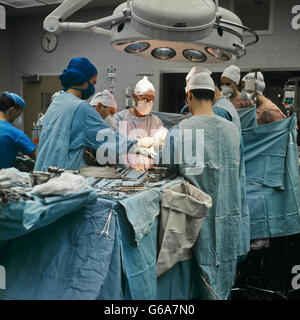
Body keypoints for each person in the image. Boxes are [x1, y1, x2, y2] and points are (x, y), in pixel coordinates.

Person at [160, 72, 242, 300]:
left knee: (190, 286)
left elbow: (164, 177)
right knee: (218, 283)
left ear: (189, 96)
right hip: (226, 218)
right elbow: (240, 178)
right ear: (213, 96)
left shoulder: (178, 132)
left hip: (190, 225)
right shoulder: (232, 131)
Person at [34, 57, 153, 171]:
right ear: (84, 81)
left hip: (42, 173)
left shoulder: (58, 102)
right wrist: (137, 144)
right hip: (60, 178)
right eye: (93, 83)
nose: (93, 88)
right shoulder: (80, 108)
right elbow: (107, 138)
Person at [113, 76, 166, 169]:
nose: (149, 103)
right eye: (145, 99)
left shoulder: (156, 121)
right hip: (124, 175)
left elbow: (161, 149)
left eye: (151, 100)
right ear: (134, 97)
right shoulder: (120, 119)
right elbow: (115, 146)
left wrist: (162, 141)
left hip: (149, 175)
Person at [0, 91, 37, 169]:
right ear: (12, 110)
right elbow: (39, 157)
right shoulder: (15, 134)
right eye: (19, 114)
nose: (18, 117)